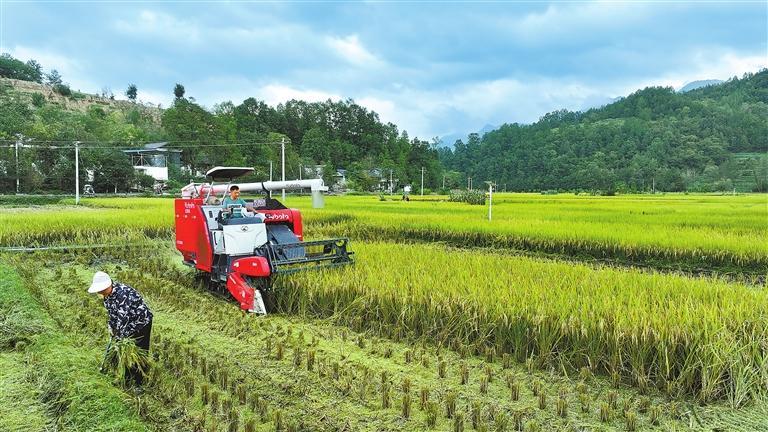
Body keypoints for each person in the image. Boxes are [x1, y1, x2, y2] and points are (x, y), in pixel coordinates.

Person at [88, 271, 153, 387]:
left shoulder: (122, 294)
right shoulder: (107, 296)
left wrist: (118, 340)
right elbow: (112, 315)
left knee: (138, 352)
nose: (100, 292)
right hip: (127, 324)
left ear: (108, 285)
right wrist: (111, 328)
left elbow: (123, 319)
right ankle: (126, 378)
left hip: (141, 323)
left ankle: (139, 383)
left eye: (101, 290)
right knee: (126, 352)